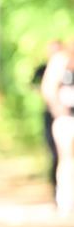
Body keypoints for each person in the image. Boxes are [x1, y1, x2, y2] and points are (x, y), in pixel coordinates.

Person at [41, 39, 74, 217]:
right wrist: (59, 110)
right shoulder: (60, 62)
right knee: (67, 159)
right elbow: (48, 88)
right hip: (66, 118)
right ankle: (65, 199)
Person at [32, 40, 63, 196]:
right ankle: (57, 190)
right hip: (53, 116)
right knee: (56, 154)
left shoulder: (68, 68)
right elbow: (34, 85)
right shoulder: (43, 69)